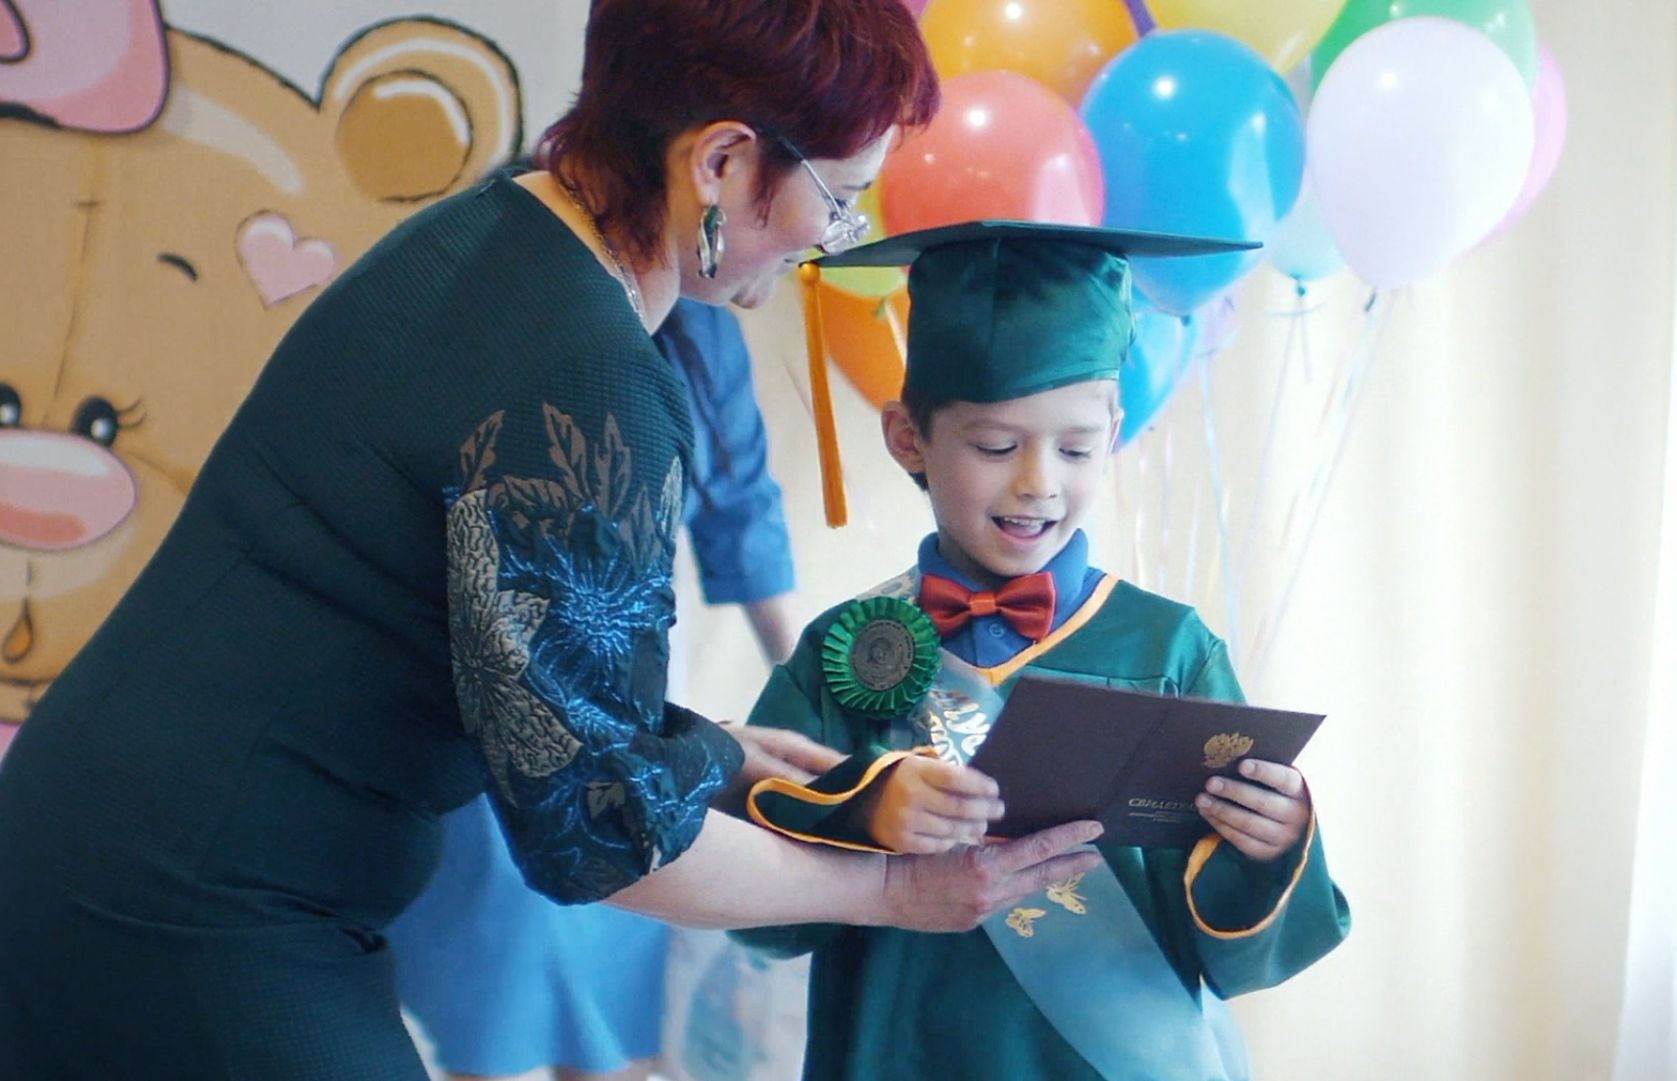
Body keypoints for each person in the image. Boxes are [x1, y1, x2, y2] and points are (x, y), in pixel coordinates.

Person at [0, 6, 1102, 1078]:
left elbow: (506, 654)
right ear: (722, 160)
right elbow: (600, 840)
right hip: (196, 899)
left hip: (96, 830)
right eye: (840, 199)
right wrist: (892, 895)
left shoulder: (492, 234)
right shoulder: (587, 372)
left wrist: (715, 750)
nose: (830, 237)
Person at [731, 221, 1353, 1081]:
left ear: (1115, 430)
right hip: (898, 1052)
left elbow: (1240, 955)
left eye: (1076, 446)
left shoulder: (1168, 649)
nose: (1038, 482)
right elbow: (750, 896)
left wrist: (1269, 841)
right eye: (996, 445)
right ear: (908, 436)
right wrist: (861, 811)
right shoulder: (844, 650)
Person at [387, 299, 805, 1081]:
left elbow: (741, 502)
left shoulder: (704, 325)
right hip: (486, 707)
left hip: (631, 713)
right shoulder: (495, 297)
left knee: (621, 1005)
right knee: (494, 1005)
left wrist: (807, 675)